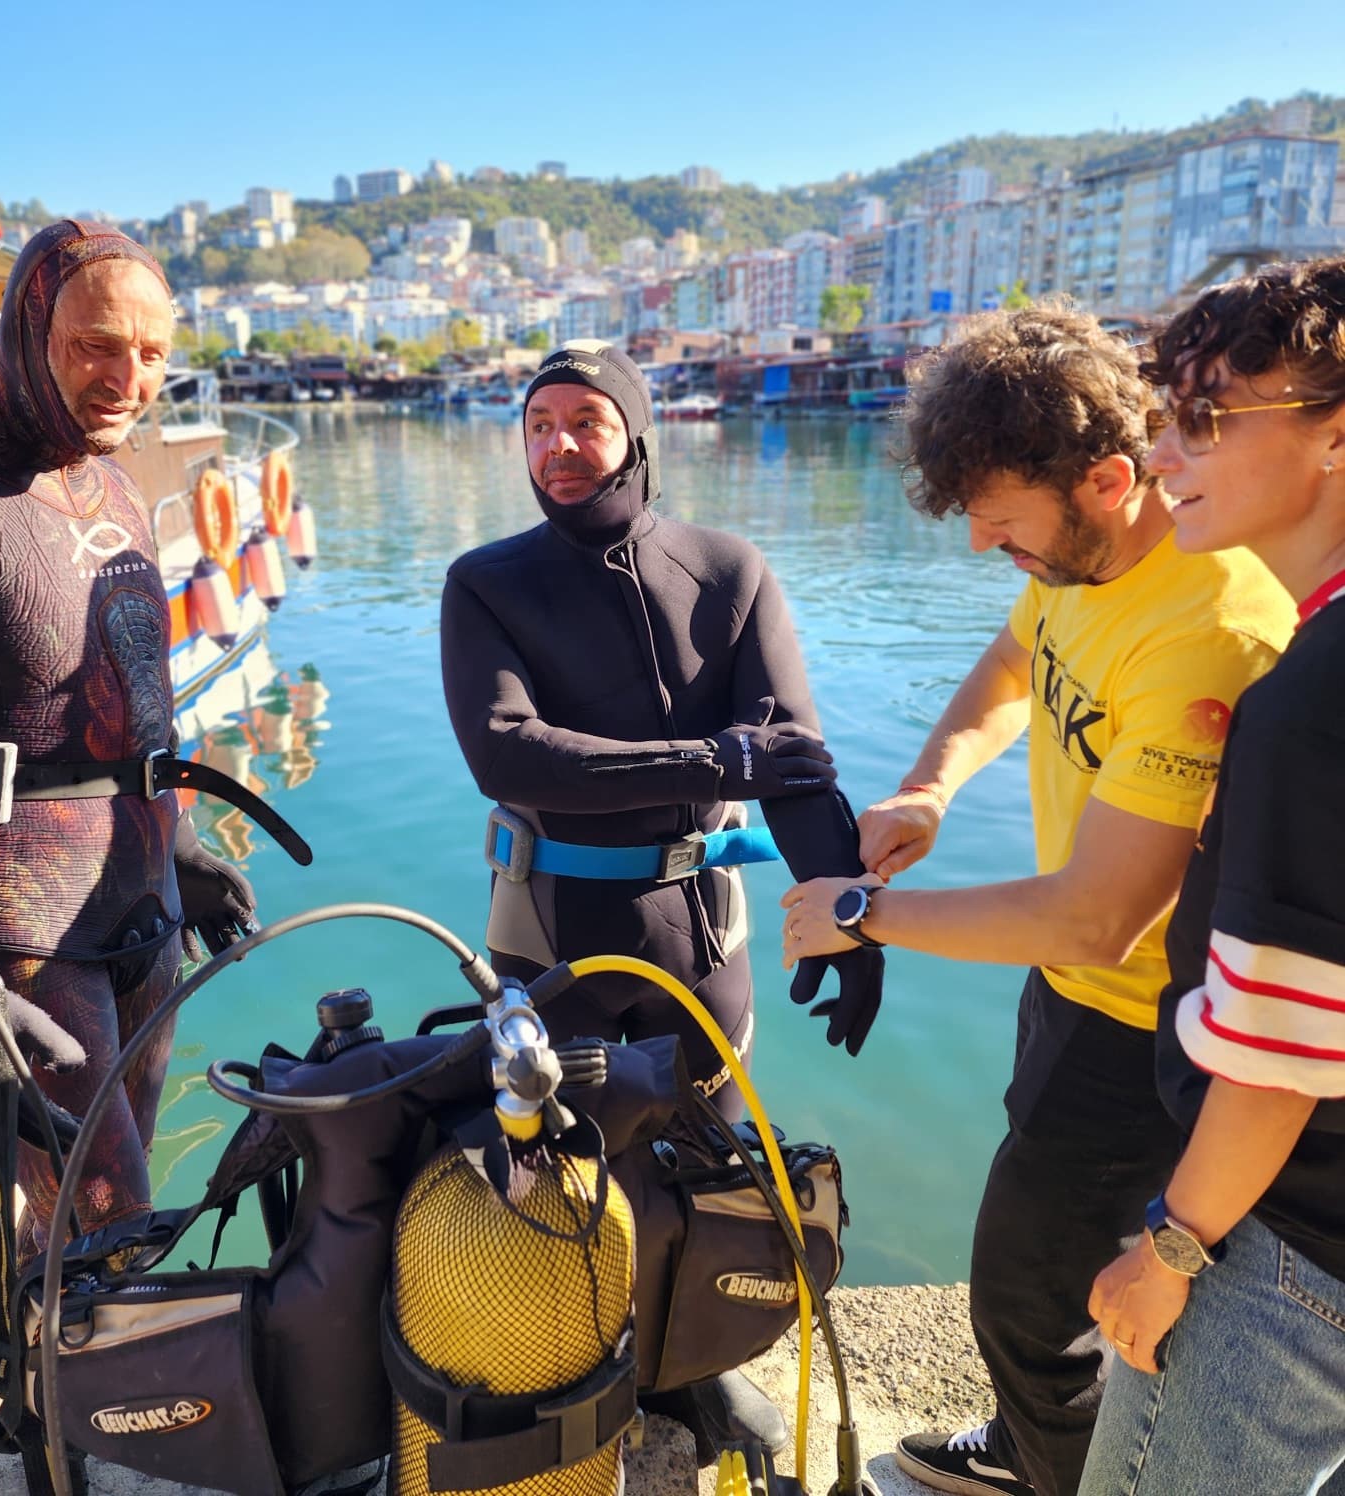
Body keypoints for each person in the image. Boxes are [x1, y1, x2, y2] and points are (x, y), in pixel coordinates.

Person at [779, 305, 1294, 1496]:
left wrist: (858, 915)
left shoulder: (1205, 626)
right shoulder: (1078, 557)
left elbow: (1089, 918)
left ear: (1107, 479)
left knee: (1018, 1287)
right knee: (1055, 1248)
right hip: (1065, 990)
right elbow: (1014, 663)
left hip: (1140, 1012)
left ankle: (1046, 1469)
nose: (980, 547)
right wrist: (926, 786)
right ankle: (1033, 1437)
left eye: (997, 522)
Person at [440, 339, 884, 1459]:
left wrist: (846, 913)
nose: (556, 446)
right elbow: (511, 756)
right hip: (550, 927)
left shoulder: (727, 571)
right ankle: (557, 1361)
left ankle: (694, 1370)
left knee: (711, 1154)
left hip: (699, 927)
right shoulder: (486, 583)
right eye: (537, 425)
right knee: (550, 1157)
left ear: (635, 430)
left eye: (582, 421)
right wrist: (711, 758)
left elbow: (793, 760)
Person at [0, 220, 257, 1260]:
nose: (129, 378)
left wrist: (190, 848)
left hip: (142, 903)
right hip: (17, 931)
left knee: (93, 1225)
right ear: (30, 329)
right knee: (111, 1229)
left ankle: (52, 1408)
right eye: (96, 346)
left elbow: (139, 704)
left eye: (154, 353)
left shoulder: (114, 481)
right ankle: (83, 1420)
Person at [1080, 259, 1345, 1495]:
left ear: (1332, 433)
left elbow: (1282, 1051)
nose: (1161, 453)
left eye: (1201, 417)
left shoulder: (1306, 702)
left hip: (1279, 1259)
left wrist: (1171, 1249)